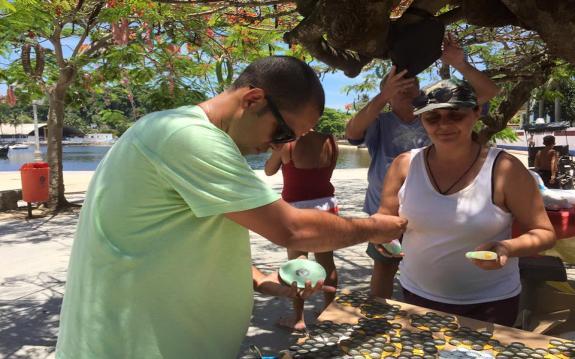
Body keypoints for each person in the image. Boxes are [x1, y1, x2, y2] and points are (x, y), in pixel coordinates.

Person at [55, 56, 407, 359]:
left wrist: (256, 277)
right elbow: (293, 229)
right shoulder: (188, 137)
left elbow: (173, 232)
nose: (280, 145)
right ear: (253, 99)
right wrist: (379, 225)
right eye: (283, 133)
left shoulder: (175, 131)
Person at [379, 78, 556, 326]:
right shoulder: (404, 165)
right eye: (433, 117)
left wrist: (507, 248)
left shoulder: (504, 168)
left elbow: (544, 233)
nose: (444, 125)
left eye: (455, 115)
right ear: (421, 120)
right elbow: (386, 219)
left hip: (489, 304)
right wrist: (379, 235)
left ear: (475, 113)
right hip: (415, 295)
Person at [345, 34, 500, 299]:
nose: (407, 89)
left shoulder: (436, 116)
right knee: (384, 267)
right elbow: (352, 131)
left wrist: (460, 65)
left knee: (435, 268)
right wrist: (383, 96)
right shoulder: (380, 121)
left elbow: (488, 94)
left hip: (435, 211)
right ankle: (378, 318)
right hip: (386, 213)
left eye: (412, 84)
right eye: (398, 87)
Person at [264, 130, 339, 331]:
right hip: (326, 206)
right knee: (327, 262)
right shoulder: (330, 139)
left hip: (297, 210)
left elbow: (268, 170)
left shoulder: (288, 143)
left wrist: (276, 151)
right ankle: (329, 311)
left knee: (296, 266)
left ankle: (298, 319)